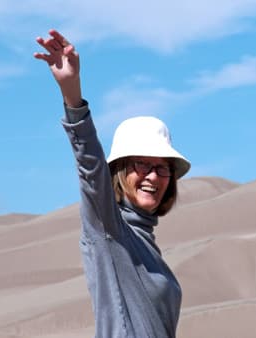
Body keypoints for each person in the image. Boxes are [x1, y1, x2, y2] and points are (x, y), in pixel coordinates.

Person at [34, 29, 191, 338]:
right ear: (119, 171)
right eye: (142, 164)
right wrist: (72, 94)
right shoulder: (108, 230)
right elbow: (90, 169)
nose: (152, 176)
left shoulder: (145, 242)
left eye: (162, 168)